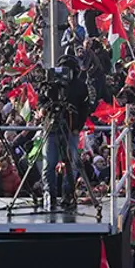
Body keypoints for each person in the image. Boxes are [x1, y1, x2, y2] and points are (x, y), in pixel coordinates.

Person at [43, 55, 93, 210]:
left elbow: (85, 108)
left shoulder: (80, 86)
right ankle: (49, 195)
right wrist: (43, 108)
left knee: (71, 163)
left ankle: (68, 195)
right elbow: (41, 100)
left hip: (71, 129)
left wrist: (78, 125)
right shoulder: (50, 83)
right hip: (52, 128)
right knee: (49, 163)